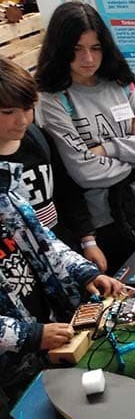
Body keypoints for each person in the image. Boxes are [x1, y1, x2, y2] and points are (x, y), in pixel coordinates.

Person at [34, 2, 135, 274]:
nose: (88, 58)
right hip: (104, 224)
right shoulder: (52, 99)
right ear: (60, 48)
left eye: (95, 48)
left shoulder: (119, 82)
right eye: (77, 49)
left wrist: (106, 149)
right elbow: (85, 172)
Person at [0, 158, 124, 403]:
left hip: (51, 336)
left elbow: (47, 244)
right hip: (12, 370)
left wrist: (85, 272)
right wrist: (29, 335)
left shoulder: (7, 194)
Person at [0, 57, 107, 272]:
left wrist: (87, 240)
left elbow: (66, 190)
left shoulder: (38, 138)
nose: (22, 121)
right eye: (8, 112)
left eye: (28, 108)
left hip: (65, 253)